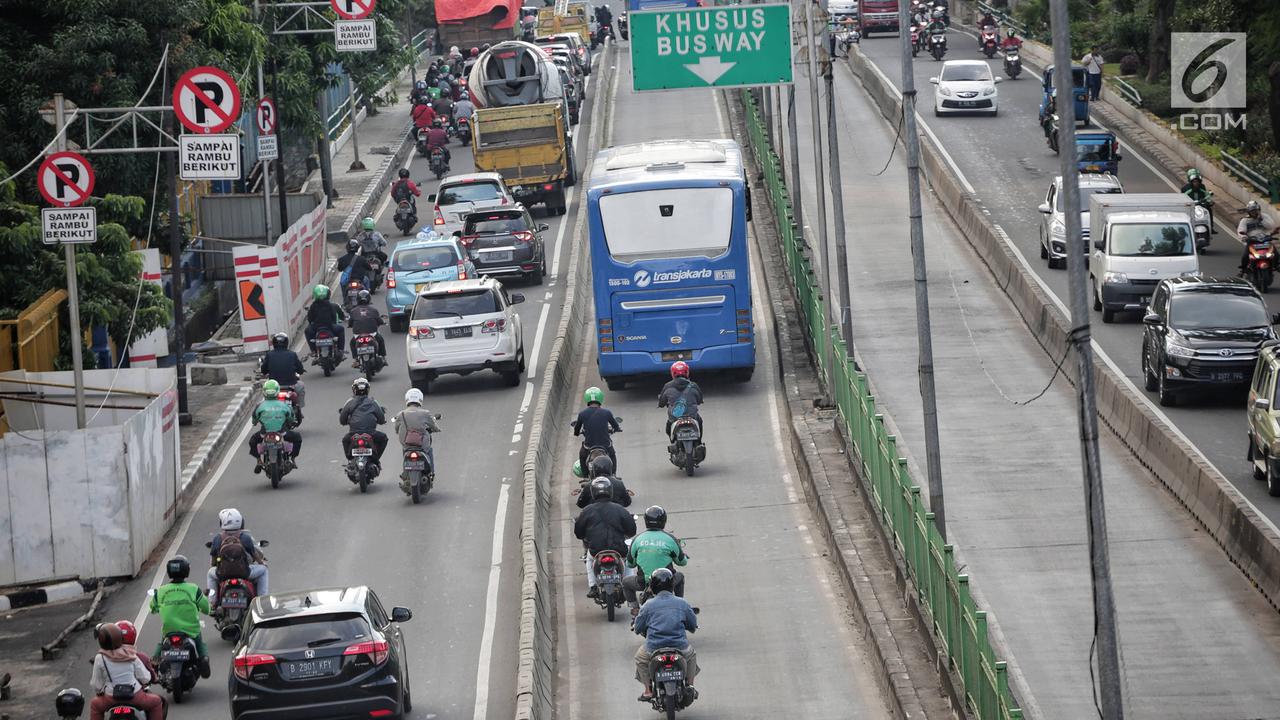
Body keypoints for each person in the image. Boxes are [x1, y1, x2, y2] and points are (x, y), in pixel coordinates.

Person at [632, 568, 699, 702]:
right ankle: (690, 686)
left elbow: (638, 628)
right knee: (691, 655)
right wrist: (691, 628)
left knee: (640, 658)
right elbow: (692, 624)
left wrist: (639, 628)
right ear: (672, 585)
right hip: (679, 646)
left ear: (652, 586)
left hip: (653, 648)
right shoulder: (682, 603)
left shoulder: (647, 605)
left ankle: (648, 690)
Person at [148, 555, 211, 679]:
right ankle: (203, 660)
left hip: (169, 630)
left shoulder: (161, 590)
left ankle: (154, 663)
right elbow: (206, 608)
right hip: (191, 631)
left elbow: (152, 608)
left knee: (162, 641)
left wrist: (158, 608)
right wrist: (207, 610)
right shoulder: (193, 589)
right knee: (199, 641)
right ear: (187, 570)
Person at [573, 477, 637, 598]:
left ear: (593, 492)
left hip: (596, 549)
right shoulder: (620, 509)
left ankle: (592, 587)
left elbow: (579, 533)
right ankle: (628, 585)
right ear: (610, 491)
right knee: (627, 561)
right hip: (619, 548)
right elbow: (632, 530)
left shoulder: (587, 511)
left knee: (589, 560)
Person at [88, 623, 165, 720]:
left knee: (95, 705)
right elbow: (145, 678)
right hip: (135, 696)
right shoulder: (131, 654)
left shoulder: (100, 658)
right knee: (156, 702)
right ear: (120, 637)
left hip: (111, 697)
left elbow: (96, 685)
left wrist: (100, 691)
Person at [623, 506, 687, 616]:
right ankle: (679, 606)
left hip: (643, 582)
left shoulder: (637, 539)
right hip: (667, 583)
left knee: (625, 582)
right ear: (664, 521)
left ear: (646, 521)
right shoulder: (670, 539)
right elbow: (682, 562)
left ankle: (635, 608)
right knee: (680, 577)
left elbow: (630, 563)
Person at [205, 508, 269, 605]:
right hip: (244, 573)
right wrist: (262, 563)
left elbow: (213, 561)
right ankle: (262, 602)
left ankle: (212, 603)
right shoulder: (245, 537)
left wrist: (214, 566)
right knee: (264, 570)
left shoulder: (218, 538)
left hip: (223, 573)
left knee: (210, 573)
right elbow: (255, 556)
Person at [247, 380, 301, 471]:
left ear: (264, 392)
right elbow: (291, 418)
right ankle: (292, 458)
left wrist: (256, 422)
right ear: (277, 391)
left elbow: (254, 420)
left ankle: (259, 460)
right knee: (298, 438)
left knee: (252, 441)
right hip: (282, 433)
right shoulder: (284, 405)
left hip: (264, 434)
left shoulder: (259, 406)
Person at [340, 377, 388, 469]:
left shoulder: (349, 402)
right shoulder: (373, 402)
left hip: (353, 433)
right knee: (383, 438)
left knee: (345, 440)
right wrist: (381, 421)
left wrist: (346, 421)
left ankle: (350, 460)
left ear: (354, 390)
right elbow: (381, 419)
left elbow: (342, 419)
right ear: (367, 390)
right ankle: (376, 459)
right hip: (371, 433)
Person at [393, 388, 442, 477]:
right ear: (420, 399)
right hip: (422, 444)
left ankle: (405, 472)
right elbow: (434, 427)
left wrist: (398, 431)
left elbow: (396, 428)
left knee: (405, 451)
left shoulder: (401, 414)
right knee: (429, 450)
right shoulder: (425, 413)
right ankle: (431, 473)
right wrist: (437, 429)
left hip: (407, 444)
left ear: (407, 399)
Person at [572, 386, 622, 472]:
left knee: (582, 456)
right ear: (600, 398)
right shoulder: (607, 412)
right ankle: (613, 474)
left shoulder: (582, 414)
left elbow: (577, 429)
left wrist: (576, 433)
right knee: (612, 455)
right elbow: (615, 426)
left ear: (587, 399)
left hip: (589, 446)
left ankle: (585, 475)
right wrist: (617, 429)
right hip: (605, 445)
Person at [260, 332, 305, 413]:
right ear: (286, 343)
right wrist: (300, 371)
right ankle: (299, 409)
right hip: (291, 385)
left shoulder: (269, 355)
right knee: (301, 385)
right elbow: (300, 370)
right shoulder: (292, 354)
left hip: (274, 387)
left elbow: (263, 370)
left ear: (274, 343)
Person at [658, 360, 704, 438]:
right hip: (692, 416)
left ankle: (673, 441)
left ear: (672, 373)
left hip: (674, 417)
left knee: (668, 426)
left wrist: (662, 403)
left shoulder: (667, 386)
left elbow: (662, 403)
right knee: (700, 421)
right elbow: (699, 400)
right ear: (687, 372)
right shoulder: (693, 385)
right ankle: (699, 442)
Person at [347, 289, 387, 365]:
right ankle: (383, 357)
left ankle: (356, 360)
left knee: (352, 343)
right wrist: (383, 322)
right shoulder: (373, 310)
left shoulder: (353, 311)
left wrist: (350, 325)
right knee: (380, 340)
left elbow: (350, 323)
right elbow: (379, 321)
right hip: (372, 333)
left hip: (358, 334)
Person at [1239, 200, 1279, 272]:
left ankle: (1277, 265)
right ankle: (1243, 269)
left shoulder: (1265, 217)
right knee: (1245, 255)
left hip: (1265, 239)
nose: (1254, 213)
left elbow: (1271, 226)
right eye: (1252, 211)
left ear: (1259, 210)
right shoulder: (1245, 220)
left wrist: (1261, 220)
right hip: (1252, 241)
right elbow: (1241, 230)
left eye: (1255, 211)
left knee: (1275, 252)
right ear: (1249, 212)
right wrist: (1244, 237)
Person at [305, 284, 345, 353]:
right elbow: (334, 316)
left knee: (307, 331)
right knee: (341, 329)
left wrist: (312, 323)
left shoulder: (313, 306)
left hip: (316, 328)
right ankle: (341, 350)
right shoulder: (330, 305)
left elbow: (310, 318)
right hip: (329, 326)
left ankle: (313, 351)